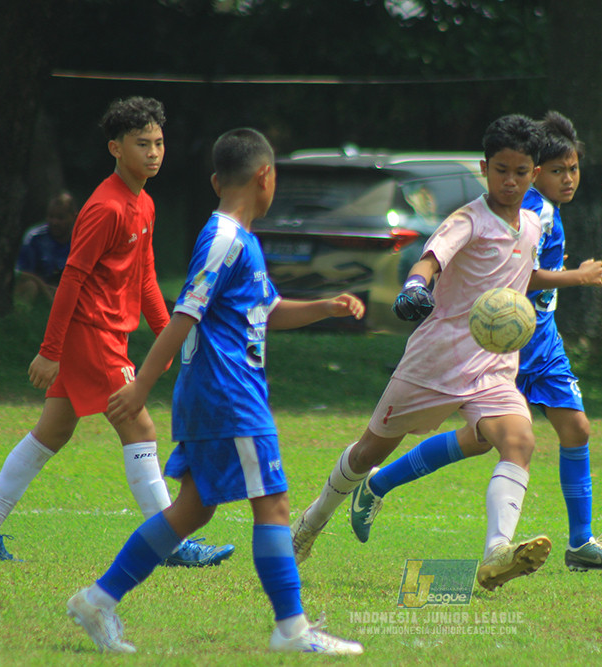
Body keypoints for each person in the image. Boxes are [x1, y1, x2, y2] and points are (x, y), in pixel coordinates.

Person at [67, 127, 365, 655]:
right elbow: (185, 313)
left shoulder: (239, 240)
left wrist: (324, 307)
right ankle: (292, 630)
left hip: (218, 392)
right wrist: (142, 387)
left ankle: (97, 600)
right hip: (230, 393)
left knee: (194, 509)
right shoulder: (226, 239)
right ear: (265, 177)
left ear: (214, 180)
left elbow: (265, 311)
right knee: (272, 503)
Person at [346, 111, 602, 574]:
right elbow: (513, 281)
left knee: (572, 429)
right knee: (480, 440)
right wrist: (575, 277)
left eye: (574, 169)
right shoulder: (529, 211)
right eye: (558, 170)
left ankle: (579, 542)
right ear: (537, 171)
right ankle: (377, 484)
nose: (567, 179)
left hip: (541, 338)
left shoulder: (546, 213)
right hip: (502, 343)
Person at [0, 97, 232, 567]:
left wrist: (168, 337)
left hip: (107, 336)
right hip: (92, 337)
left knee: (54, 430)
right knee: (140, 425)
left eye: (159, 143)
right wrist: (50, 351)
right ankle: (171, 543)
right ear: (114, 148)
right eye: (141, 143)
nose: (153, 152)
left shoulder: (143, 203)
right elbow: (71, 279)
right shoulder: (106, 207)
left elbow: (145, 277)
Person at [290, 114, 552, 592]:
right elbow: (429, 260)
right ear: (484, 168)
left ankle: (496, 553)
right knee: (370, 450)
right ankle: (309, 524)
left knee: (519, 442)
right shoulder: (468, 220)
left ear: (534, 173)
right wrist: (415, 287)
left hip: (493, 366)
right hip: (436, 360)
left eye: (520, 171)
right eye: (500, 170)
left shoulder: (533, 226)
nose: (509, 181)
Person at [14, 191, 77, 305]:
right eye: (51, 217)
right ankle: (22, 318)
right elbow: (20, 274)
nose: (54, 222)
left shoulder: (81, 241)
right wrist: (45, 290)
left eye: (60, 218)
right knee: (29, 286)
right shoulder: (35, 238)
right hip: (39, 290)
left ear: (73, 217)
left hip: (67, 291)